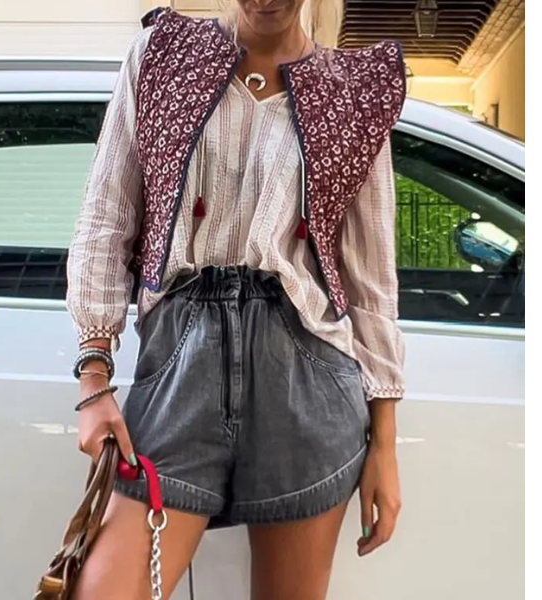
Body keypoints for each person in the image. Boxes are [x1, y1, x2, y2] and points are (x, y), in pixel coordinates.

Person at [66, 1, 406, 599]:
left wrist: (385, 444)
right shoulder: (162, 57)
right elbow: (105, 216)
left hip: (304, 375)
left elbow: (371, 278)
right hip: (179, 366)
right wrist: (94, 376)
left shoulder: (354, 93)